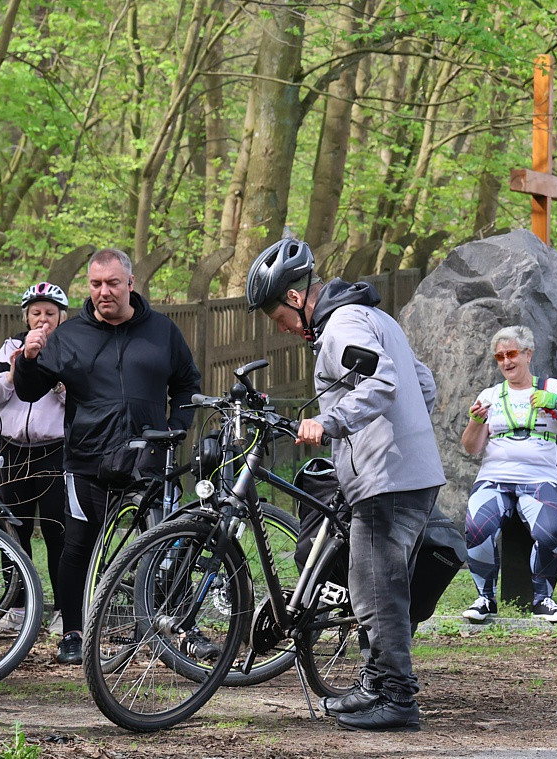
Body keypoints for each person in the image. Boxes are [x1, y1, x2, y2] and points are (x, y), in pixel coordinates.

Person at [246, 238, 444, 732]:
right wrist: (402, 435)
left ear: (294, 300)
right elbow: (424, 386)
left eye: (279, 320)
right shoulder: (375, 317)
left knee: (376, 590)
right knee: (375, 584)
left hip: (389, 478)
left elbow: (383, 385)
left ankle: (397, 698)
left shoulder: (341, 326)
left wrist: (330, 421)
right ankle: (375, 685)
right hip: (404, 472)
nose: (285, 330)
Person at [13, 248, 201, 665]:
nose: (104, 292)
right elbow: (28, 391)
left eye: (113, 283)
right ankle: (73, 632)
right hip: (87, 460)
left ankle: (169, 627)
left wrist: (177, 426)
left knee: (164, 544)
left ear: (130, 284)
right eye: (96, 284)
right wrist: (27, 359)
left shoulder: (163, 332)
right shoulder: (68, 336)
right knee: (77, 546)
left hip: (151, 457)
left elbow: (187, 384)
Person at [460, 325, 557, 626]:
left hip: (540, 480)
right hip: (495, 477)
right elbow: (471, 447)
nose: (506, 362)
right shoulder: (491, 394)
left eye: (511, 354)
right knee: (477, 525)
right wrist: (475, 421)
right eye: (499, 357)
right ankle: (485, 599)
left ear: (527, 354)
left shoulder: (552, 387)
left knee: (551, 530)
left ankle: (543, 599)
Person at [0, 282, 70, 636]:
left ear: (62, 317)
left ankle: (66, 609)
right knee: (12, 532)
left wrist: (54, 381)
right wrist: (13, 372)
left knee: (57, 534)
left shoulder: (69, 347)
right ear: (26, 316)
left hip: (55, 451)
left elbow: (82, 400)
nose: (43, 320)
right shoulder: (10, 347)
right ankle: (18, 606)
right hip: (12, 450)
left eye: (50, 313)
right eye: (36, 313)